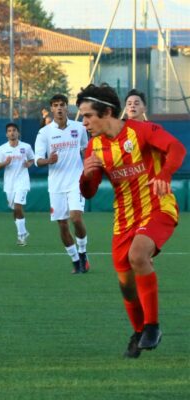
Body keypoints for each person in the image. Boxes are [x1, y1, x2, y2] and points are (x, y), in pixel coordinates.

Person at [77, 83, 186, 358]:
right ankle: (139, 334)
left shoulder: (141, 131)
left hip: (158, 208)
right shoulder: (94, 147)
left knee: (139, 255)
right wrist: (86, 175)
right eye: (82, 116)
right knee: (126, 284)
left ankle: (152, 326)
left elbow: (177, 149)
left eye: (88, 115)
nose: (84, 121)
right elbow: (88, 192)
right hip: (124, 219)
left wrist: (164, 175)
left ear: (107, 112)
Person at [34, 94, 91, 274]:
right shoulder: (44, 133)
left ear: (67, 107)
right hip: (56, 185)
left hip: (76, 180)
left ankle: (82, 253)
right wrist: (48, 160)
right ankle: (75, 261)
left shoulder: (79, 127)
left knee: (76, 217)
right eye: (55, 105)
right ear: (51, 109)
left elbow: (86, 150)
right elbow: (37, 160)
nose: (59, 108)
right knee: (62, 224)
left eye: (62, 105)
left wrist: (90, 169)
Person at [0, 122, 35, 246]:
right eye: (10, 131)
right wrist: (5, 163)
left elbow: (32, 159)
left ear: (18, 133)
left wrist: (29, 163)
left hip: (22, 182)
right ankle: (21, 231)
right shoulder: (1, 149)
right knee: (14, 210)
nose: (12, 132)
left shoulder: (26, 147)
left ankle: (21, 236)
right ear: (7, 134)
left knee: (18, 207)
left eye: (14, 130)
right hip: (9, 184)